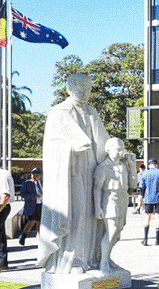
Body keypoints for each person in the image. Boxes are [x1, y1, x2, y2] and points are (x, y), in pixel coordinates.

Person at [38, 73, 110, 274]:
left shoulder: (91, 111)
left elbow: (103, 141)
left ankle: (94, 259)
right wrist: (69, 150)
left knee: (94, 217)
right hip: (72, 173)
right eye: (81, 90)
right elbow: (51, 147)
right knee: (76, 216)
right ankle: (73, 261)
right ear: (69, 89)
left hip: (94, 172)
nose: (86, 94)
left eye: (88, 89)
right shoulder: (59, 112)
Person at [93, 137, 137, 272]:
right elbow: (97, 188)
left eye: (122, 149)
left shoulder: (123, 166)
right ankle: (104, 263)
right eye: (118, 149)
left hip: (123, 199)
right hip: (110, 199)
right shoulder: (102, 167)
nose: (121, 152)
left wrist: (132, 165)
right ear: (108, 150)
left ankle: (107, 257)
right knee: (111, 232)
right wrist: (98, 207)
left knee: (117, 234)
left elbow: (134, 185)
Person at [139, 158, 159, 246]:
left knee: (147, 217)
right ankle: (157, 239)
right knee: (158, 217)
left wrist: (142, 196)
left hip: (148, 198)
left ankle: (145, 239)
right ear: (156, 164)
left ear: (148, 165)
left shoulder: (144, 174)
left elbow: (142, 187)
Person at [18, 167, 42, 246]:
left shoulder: (42, 183)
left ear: (40, 175)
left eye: (36, 175)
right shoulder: (27, 183)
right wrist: (33, 196)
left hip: (41, 204)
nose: (34, 176)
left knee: (40, 222)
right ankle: (24, 235)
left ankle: (40, 238)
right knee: (32, 220)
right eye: (33, 174)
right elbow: (22, 194)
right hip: (32, 204)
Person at [0, 156, 13, 271]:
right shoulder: (2, 173)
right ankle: (2, 263)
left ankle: (0, 263)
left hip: (0, 206)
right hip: (2, 206)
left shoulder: (1, 174)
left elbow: (5, 194)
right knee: (0, 235)